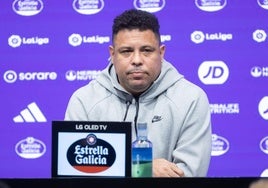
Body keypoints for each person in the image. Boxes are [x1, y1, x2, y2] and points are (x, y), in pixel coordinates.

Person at [64, 8, 212, 177]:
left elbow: (190, 175)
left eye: (146, 50)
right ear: (112, 54)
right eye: (126, 51)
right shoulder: (84, 100)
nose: (136, 60)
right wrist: (143, 168)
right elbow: (74, 171)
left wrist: (115, 168)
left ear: (161, 53)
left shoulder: (191, 98)